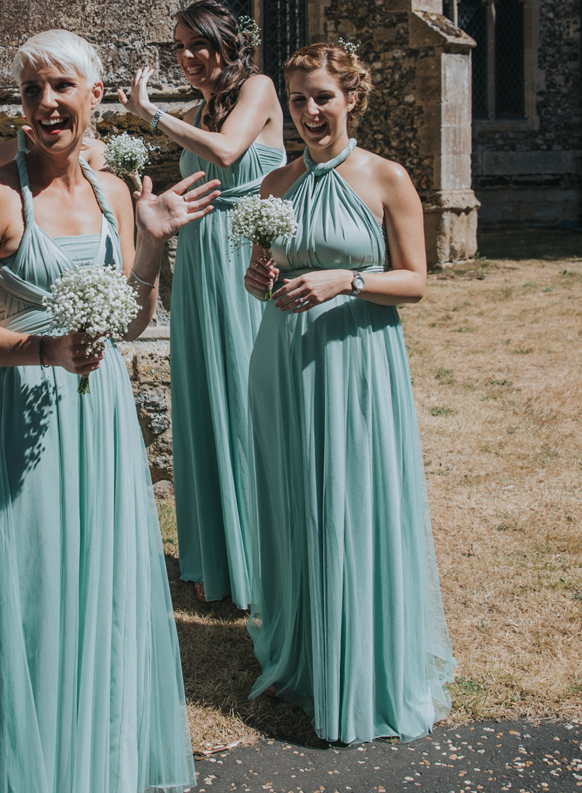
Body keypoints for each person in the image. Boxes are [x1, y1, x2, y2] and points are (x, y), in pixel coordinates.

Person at [0, 30, 217, 793]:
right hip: (22, 414)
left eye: (62, 87)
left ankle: (102, 765)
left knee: (107, 584)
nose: (45, 105)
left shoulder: (114, 194)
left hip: (100, 422)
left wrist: (155, 246)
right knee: (33, 589)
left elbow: (128, 320)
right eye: (32, 91)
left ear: (95, 97)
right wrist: (42, 353)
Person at [241, 42, 454, 745]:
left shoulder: (387, 178)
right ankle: (304, 651)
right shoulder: (274, 185)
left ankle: (363, 665)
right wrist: (261, 279)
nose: (308, 112)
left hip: (358, 362)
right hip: (284, 357)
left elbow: (416, 281)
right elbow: (263, 270)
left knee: (354, 503)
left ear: (351, 98)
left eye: (322, 97)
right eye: (298, 100)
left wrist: (347, 280)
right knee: (296, 499)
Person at [117, 0, 285, 607]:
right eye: (179, 47)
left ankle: (264, 559)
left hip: (246, 252)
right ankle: (215, 552)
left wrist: (151, 112)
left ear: (227, 45)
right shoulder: (194, 111)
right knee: (204, 391)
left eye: (198, 45)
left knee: (245, 392)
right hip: (198, 258)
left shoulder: (259, 89)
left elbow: (225, 153)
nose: (187, 57)